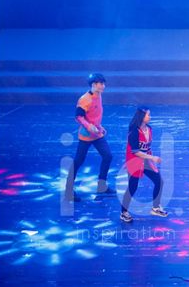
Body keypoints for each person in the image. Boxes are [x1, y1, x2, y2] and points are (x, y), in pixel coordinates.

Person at [65, 73, 114, 202]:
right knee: (78, 161)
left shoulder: (99, 96)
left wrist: (99, 126)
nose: (103, 86)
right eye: (101, 83)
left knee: (108, 156)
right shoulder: (85, 99)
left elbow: (94, 115)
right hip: (86, 136)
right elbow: (78, 117)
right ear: (94, 84)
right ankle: (68, 190)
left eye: (104, 83)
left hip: (97, 134)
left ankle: (101, 186)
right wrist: (89, 126)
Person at [120, 107, 168, 223]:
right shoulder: (134, 132)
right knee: (133, 187)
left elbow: (146, 147)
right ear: (142, 116)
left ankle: (155, 208)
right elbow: (136, 152)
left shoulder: (149, 129)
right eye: (148, 115)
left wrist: (150, 159)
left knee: (159, 181)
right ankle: (123, 212)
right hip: (134, 161)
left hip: (146, 160)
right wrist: (153, 158)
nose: (150, 117)